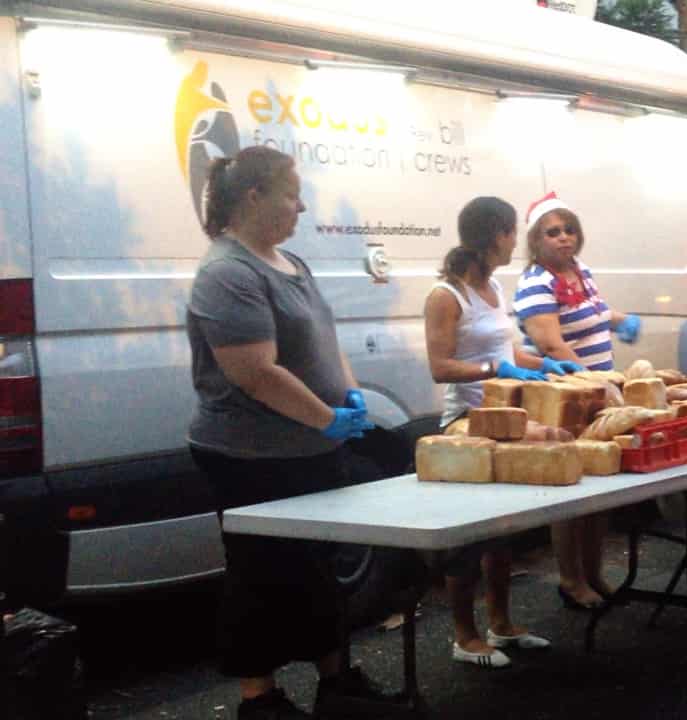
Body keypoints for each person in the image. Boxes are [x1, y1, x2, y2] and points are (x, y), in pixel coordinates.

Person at [186, 146, 403, 719]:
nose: (301, 205)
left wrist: (349, 393)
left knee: (320, 571)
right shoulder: (227, 272)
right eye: (291, 192)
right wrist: (327, 417)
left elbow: (323, 345)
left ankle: (338, 683)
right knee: (262, 577)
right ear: (253, 196)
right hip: (252, 457)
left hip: (311, 449)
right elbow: (254, 373)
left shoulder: (290, 262)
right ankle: (261, 701)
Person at [423, 197, 559, 668]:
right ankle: (465, 636)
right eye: (510, 232)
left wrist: (548, 366)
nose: (514, 241)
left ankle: (501, 625)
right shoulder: (447, 296)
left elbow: (512, 352)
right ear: (493, 235)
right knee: (470, 539)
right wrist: (489, 368)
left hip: (505, 420)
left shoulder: (496, 289)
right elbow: (440, 366)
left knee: (504, 532)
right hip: (464, 428)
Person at [513, 192, 641, 609]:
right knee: (573, 491)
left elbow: (598, 311)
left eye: (569, 229)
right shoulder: (537, 282)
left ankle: (594, 572)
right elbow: (551, 344)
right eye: (553, 232)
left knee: (599, 488)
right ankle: (571, 580)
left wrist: (622, 322)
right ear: (536, 239)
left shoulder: (580, 272)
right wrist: (596, 382)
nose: (563, 238)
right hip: (566, 399)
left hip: (597, 392)